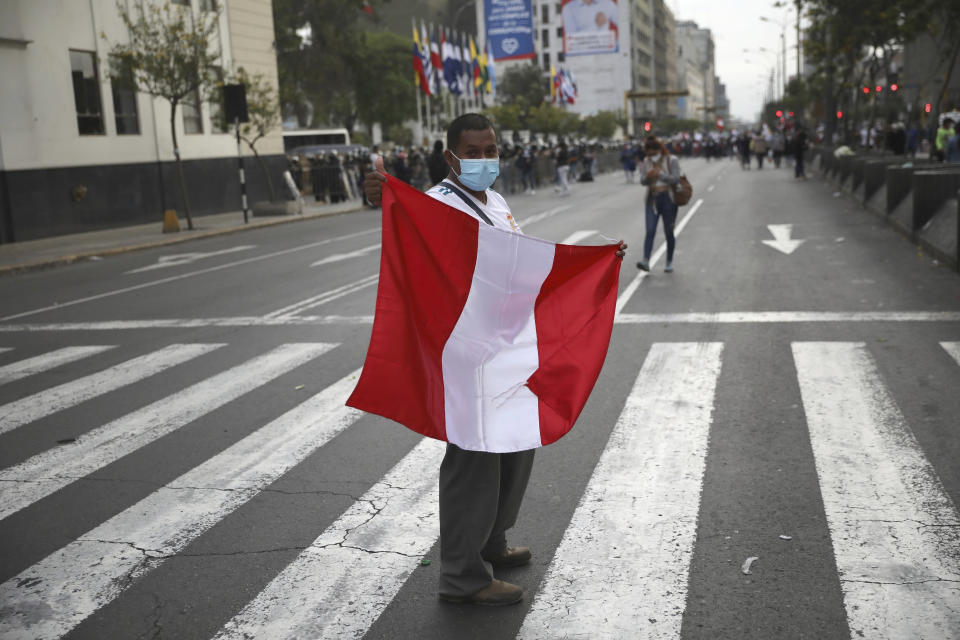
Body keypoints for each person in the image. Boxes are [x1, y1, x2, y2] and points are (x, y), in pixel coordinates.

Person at [364, 113, 627, 607]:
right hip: (468, 355)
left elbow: (519, 263)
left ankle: (493, 540)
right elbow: (410, 229)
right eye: (474, 151)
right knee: (474, 459)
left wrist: (590, 263)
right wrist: (384, 196)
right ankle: (463, 575)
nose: (485, 159)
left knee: (515, 444)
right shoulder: (439, 205)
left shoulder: (497, 202)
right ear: (451, 157)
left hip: (505, 349)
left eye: (491, 150)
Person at [637, 136, 681, 273]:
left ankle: (669, 261)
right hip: (652, 198)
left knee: (669, 232)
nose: (650, 154)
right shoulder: (646, 161)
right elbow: (643, 181)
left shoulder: (671, 160)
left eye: (653, 151)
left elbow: (675, 178)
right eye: (648, 151)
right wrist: (649, 177)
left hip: (668, 199)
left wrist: (660, 175)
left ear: (659, 149)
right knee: (650, 230)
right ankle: (645, 260)